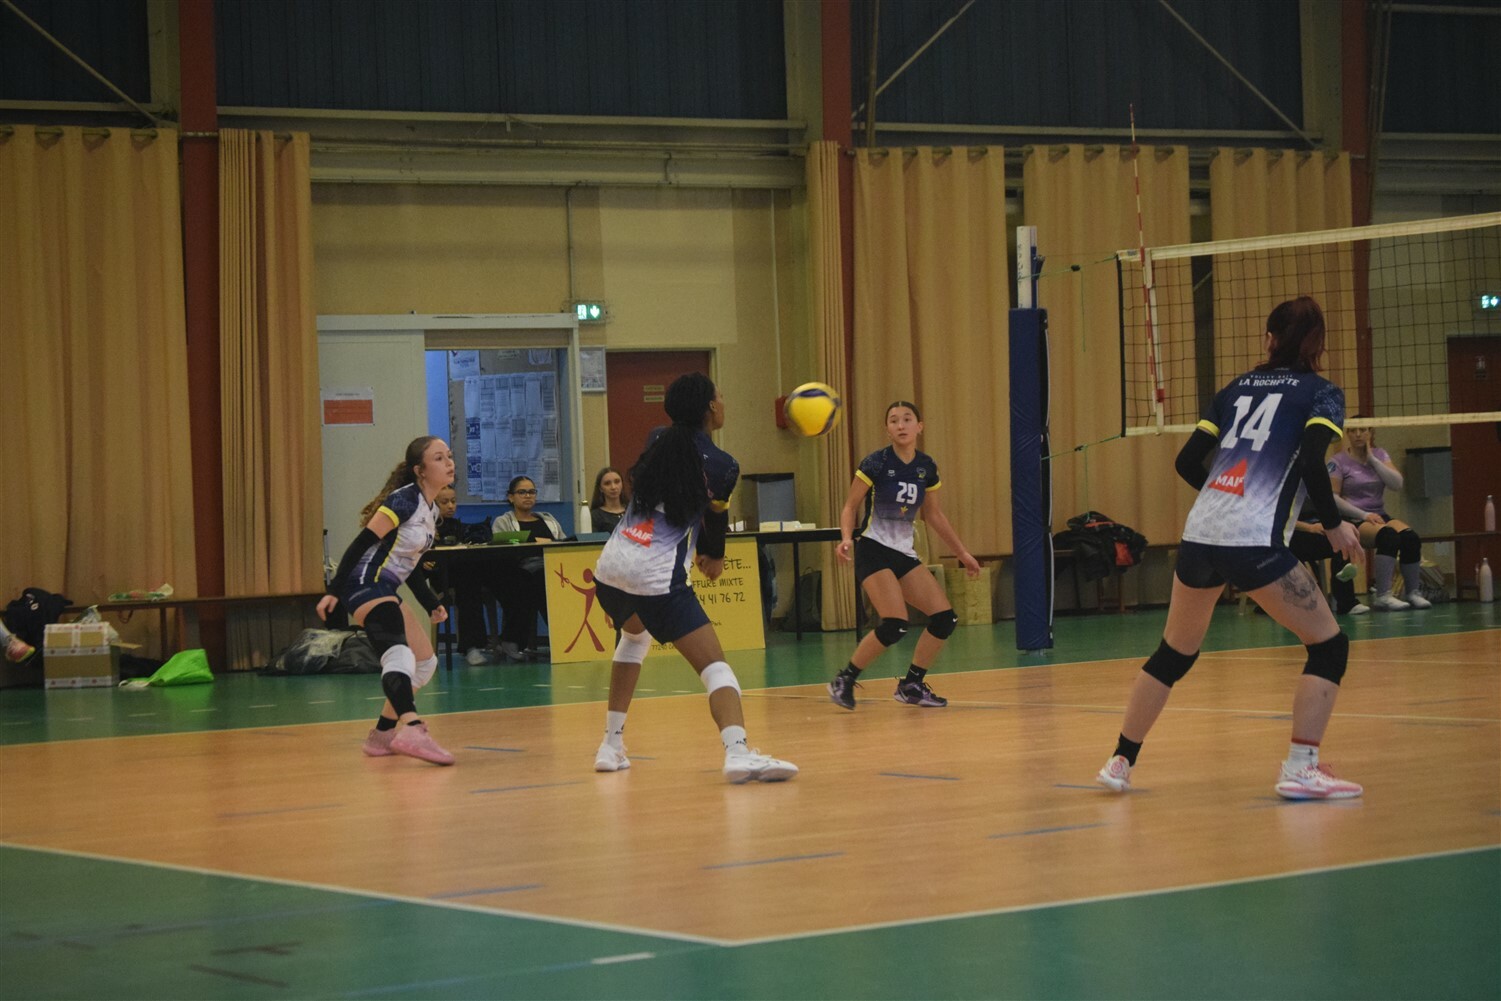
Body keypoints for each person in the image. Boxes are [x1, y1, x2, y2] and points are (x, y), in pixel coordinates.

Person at [1095, 296, 1364, 800]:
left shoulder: (1234, 389)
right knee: (1329, 646)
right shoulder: (1322, 394)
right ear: (1317, 344)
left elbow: (1186, 462)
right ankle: (1301, 768)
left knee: (1174, 652)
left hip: (1201, 533)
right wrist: (1333, 526)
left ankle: (1120, 760)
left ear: (1269, 339)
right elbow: (1312, 462)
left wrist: (1226, 498)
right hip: (1252, 539)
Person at [589, 372, 797, 784]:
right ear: (710, 408)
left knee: (633, 641)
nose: (724, 402)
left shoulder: (656, 439)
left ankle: (610, 746)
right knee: (716, 667)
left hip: (611, 567)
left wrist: (705, 549)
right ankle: (738, 753)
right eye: (720, 396)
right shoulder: (723, 465)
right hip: (655, 576)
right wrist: (713, 555)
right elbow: (715, 516)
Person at [827, 401, 981, 711]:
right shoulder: (876, 462)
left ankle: (911, 684)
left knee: (945, 619)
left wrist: (962, 553)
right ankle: (844, 679)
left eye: (907, 419)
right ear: (887, 429)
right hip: (873, 548)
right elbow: (850, 506)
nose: (901, 425)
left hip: (903, 553)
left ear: (919, 426)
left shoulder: (927, 466)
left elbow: (934, 515)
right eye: (894, 420)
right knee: (895, 623)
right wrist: (845, 538)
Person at [318, 435, 456, 766]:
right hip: (363, 583)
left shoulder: (430, 509)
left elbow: (410, 565)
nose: (449, 463)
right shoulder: (403, 500)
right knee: (399, 654)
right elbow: (360, 543)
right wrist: (334, 589)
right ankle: (411, 727)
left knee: (425, 663)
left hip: (386, 586)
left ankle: (381, 736)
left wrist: (429, 602)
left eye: (449, 456)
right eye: (439, 458)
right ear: (420, 470)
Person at [1330, 424, 1430, 611]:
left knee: (1410, 537)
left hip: (1379, 515)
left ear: (1371, 433)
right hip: (1354, 517)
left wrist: (1373, 461)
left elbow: (1397, 484)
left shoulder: (1380, 455)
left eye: (1363, 430)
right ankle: (1383, 595)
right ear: (1347, 434)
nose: (1358, 434)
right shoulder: (1338, 461)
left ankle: (1413, 592)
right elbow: (1333, 497)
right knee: (1388, 536)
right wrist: (1364, 514)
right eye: (1353, 430)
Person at [490, 475, 569, 660]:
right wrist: (533, 541)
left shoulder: (548, 519)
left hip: (552, 567)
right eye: (522, 492)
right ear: (511, 497)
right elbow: (501, 545)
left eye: (532, 492)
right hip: (518, 569)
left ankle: (567, 638)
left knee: (554, 580)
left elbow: (563, 542)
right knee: (535, 582)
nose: (528, 496)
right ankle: (513, 640)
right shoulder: (503, 521)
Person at [1287, 502, 1366, 615]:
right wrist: (1310, 527)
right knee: (1290, 551)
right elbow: (1278, 519)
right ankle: (1303, 601)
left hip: (1316, 527)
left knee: (1341, 541)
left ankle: (1345, 601)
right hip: (1290, 535)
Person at [589, 466, 628, 536]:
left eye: (617, 482)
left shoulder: (633, 511)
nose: (613, 487)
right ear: (600, 488)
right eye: (607, 483)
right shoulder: (595, 516)